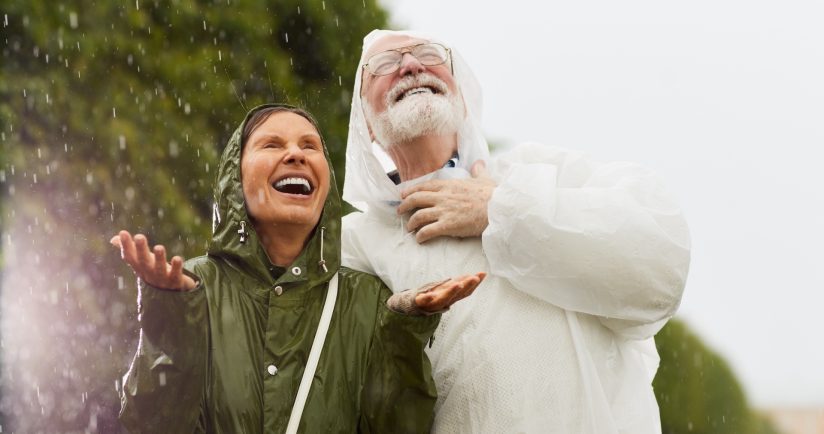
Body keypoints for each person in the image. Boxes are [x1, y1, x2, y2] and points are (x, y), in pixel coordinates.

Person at [341, 30, 692, 433]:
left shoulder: (543, 172)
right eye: (384, 65)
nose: (411, 65)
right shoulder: (354, 243)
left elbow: (660, 266)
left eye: (429, 53)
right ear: (365, 121)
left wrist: (499, 209)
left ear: (462, 93)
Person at [110, 104, 484, 433]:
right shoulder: (193, 288)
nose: (295, 155)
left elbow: (401, 428)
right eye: (272, 145)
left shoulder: (369, 302)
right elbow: (152, 424)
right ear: (234, 179)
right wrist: (173, 315)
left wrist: (405, 332)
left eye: (310, 146)